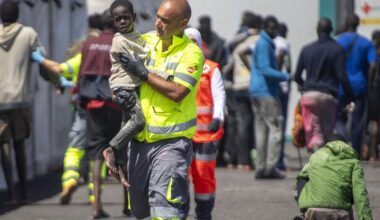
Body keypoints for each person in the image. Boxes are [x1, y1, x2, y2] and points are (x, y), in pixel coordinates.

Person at [117, 0, 203, 218]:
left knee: (165, 210)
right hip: (138, 143)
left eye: (165, 21)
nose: (158, 24)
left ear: (183, 23)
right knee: (140, 211)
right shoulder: (143, 42)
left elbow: (177, 92)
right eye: (157, 17)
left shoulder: (191, 53)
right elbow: (119, 75)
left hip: (171, 144)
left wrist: (144, 73)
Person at [0, 0, 60, 205]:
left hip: (0, 101)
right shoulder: (29, 34)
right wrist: (55, 82)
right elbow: (42, 63)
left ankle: (10, 194)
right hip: (20, 100)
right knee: (19, 146)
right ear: (18, 14)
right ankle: (24, 192)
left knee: (3, 148)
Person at [77, 9, 122, 219]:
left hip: (92, 105)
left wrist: (79, 100)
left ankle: (96, 207)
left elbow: (81, 74)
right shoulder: (119, 43)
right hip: (114, 105)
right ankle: (128, 204)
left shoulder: (88, 44)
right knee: (120, 153)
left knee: (96, 155)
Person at [294, 17, 356, 153]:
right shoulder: (337, 49)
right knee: (327, 132)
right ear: (331, 30)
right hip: (328, 96)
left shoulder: (306, 49)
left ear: (316, 30)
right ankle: (325, 161)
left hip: (309, 96)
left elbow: (296, 76)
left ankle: (316, 153)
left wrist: (306, 86)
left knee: (315, 131)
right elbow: (342, 77)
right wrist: (351, 96)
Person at [184, 27, 226, 220]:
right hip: (181, 134)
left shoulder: (210, 68)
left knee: (203, 176)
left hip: (205, 135)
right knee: (179, 177)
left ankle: (204, 213)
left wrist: (218, 117)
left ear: (200, 44)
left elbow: (219, 94)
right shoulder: (176, 67)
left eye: (193, 41)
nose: (190, 45)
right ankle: (179, 212)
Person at [249, 16, 290, 179]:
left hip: (256, 91)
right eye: (272, 28)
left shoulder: (262, 43)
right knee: (275, 128)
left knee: (261, 130)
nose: (275, 31)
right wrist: (285, 76)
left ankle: (260, 167)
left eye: (276, 29)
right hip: (266, 92)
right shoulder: (265, 44)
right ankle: (271, 166)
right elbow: (266, 69)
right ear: (265, 27)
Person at [295, 134, 373, 220]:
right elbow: (360, 194)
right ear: (346, 145)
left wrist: (302, 207)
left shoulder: (315, 156)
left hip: (314, 211)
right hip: (341, 212)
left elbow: (301, 178)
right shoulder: (354, 162)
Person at [222, 13, 261, 170]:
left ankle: (239, 160)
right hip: (252, 85)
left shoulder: (237, 43)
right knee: (255, 124)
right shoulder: (259, 41)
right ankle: (251, 159)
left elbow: (229, 64)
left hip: (238, 85)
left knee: (240, 124)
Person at [335, 14, 377, 155]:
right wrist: (369, 83)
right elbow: (373, 65)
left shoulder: (337, 42)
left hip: (341, 86)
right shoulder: (366, 43)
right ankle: (355, 152)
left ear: (346, 24)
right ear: (358, 24)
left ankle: (343, 141)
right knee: (358, 121)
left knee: (339, 117)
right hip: (359, 86)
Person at [363, 29, 380, 161]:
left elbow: (371, 67)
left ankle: (373, 153)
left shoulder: (370, 52)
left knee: (373, 122)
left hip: (373, 90)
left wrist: (368, 84)